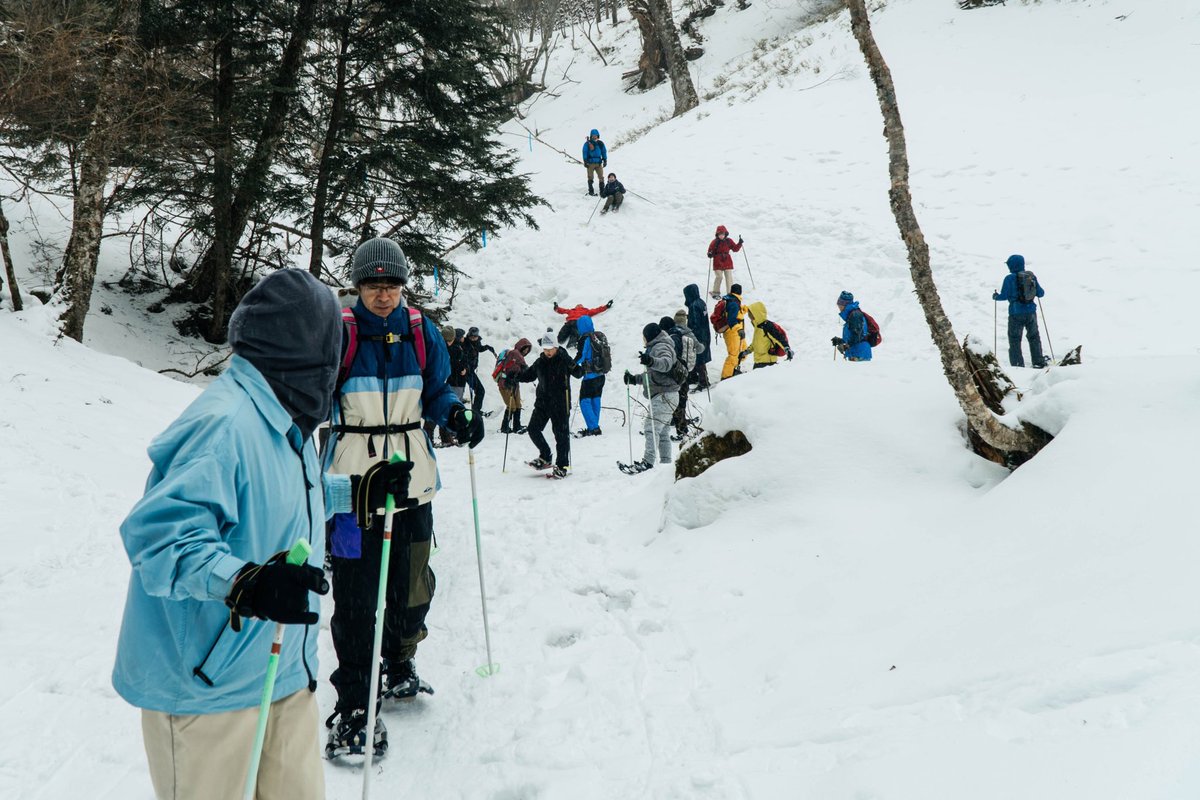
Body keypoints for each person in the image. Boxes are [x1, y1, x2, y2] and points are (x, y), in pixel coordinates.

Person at [112, 270, 348, 800]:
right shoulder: (225, 424)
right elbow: (159, 538)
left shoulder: (282, 419)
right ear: (308, 349)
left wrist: (353, 493)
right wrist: (244, 581)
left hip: (281, 670)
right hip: (208, 691)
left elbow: (274, 498)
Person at [323, 237, 484, 757]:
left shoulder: (421, 332)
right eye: (374, 284)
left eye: (391, 284)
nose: (384, 294)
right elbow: (317, 398)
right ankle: (353, 705)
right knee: (353, 598)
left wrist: (455, 412)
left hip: (414, 484)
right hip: (349, 492)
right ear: (358, 286)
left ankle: (398, 659)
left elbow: (437, 390)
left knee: (413, 587)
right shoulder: (340, 333)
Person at [511, 331, 581, 479]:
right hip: (543, 402)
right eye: (545, 349)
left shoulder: (564, 359)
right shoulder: (540, 362)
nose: (548, 352)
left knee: (561, 436)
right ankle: (545, 456)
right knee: (533, 429)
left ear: (556, 347)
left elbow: (579, 373)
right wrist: (515, 377)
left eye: (550, 349)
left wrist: (574, 364)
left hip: (560, 404)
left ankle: (562, 466)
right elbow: (529, 375)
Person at [620, 322, 681, 474]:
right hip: (668, 394)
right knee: (663, 431)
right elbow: (652, 376)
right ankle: (666, 464)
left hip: (664, 395)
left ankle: (648, 462)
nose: (643, 339)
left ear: (649, 336)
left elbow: (665, 364)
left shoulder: (661, 347)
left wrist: (651, 361)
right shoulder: (658, 346)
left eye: (644, 336)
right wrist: (634, 379)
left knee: (651, 428)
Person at [992, 253, 1047, 368]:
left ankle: (1017, 365)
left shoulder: (1009, 278)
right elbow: (1041, 293)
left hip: (1015, 313)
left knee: (1015, 339)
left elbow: (1004, 296)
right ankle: (1038, 362)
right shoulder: (1030, 276)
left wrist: (996, 296)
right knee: (1034, 337)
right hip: (1031, 312)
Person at [663, 312, 704, 438]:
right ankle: (678, 423)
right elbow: (700, 348)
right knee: (681, 399)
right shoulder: (685, 333)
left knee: (678, 401)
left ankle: (682, 431)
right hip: (685, 372)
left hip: (676, 375)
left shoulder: (672, 337)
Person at [423, 325, 459, 447]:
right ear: (451, 339)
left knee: (443, 410)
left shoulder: (436, 344)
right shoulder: (440, 348)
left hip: (437, 382)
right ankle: (428, 440)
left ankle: (444, 438)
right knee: (435, 412)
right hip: (436, 383)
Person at [574, 315, 606, 437]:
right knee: (595, 399)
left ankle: (593, 428)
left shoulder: (584, 339)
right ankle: (594, 426)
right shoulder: (598, 336)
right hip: (601, 375)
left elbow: (581, 356)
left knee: (584, 401)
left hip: (590, 376)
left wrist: (571, 365)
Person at [494, 338, 532, 434]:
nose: (526, 351)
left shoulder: (515, 355)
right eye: (525, 349)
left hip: (513, 383)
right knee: (512, 406)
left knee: (517, 405)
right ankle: (506, 427)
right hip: (505, 384)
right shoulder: (515, 354)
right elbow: (524, 368)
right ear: (520, 347)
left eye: (527, 350)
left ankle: (516, 426)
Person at [747, 301, 793, 369]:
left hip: (768, 364)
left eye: (750, 313)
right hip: (758, 362)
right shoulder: (757, 326)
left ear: (756, 313)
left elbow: (779, 338)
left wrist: (787, 349)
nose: (748, 315)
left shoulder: (768, 326)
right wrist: (748, 350)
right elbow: (756, 343)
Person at [683, 283, 712, 388]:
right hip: (705, 334)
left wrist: (690, 332)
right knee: (700, 357)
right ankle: (694, 376)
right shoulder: (701, 302)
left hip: (698, 336)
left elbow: (695, 323)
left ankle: (703, 381)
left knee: (699, 359)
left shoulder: (693, 306)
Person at [831, 291, 873, 362]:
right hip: (857, 352)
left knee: (859, 373)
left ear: (845, 304)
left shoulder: (855, 315)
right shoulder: (852, 315)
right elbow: (854, 335)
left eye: (840, 304)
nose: (838, 306)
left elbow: (857, 336)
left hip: (859, 353)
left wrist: (845, 346)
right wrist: (840, 341)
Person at [462, 326, 496, 413]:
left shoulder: (477, 342)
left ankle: (476, 411)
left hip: (471, 371)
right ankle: (475, 412)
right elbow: (463, 357)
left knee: (480, 391)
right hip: (466, 371)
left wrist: (487, 347)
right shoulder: (465, 344)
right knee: (480, 391)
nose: (473, 338)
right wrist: (467, 367)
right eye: (471, 336)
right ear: (468, 335)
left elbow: (479, 349)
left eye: (475, 336)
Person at [718, 283, 748, 380]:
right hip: (733, 332)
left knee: (743, 350)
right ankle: (726, 376)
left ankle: (733, 370)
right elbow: (731, 320)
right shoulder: (734, 303)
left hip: (735, 331)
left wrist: (744, 309)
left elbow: (734, 313)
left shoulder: (731, 299)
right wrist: (739, 329)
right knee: (733, 355)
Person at [706, 225, 744, 298]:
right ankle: (715, 292)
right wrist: (710, 254)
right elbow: (710, 251)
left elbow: (735, 249)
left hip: (727, 261)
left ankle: (730, 293)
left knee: (729, 277)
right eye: (720, 234)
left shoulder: (728, 241)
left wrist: (739, 243)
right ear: (717, 234)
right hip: (717, 262)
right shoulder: (714, 242)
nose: (721, 236)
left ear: (725, 233)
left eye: (723, 234)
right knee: (719, 277)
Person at [582, 128, 607, 196]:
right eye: (593, 135)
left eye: (596, 135)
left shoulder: (600, 143)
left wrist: (605, 160)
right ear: (591, 136)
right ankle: (591, 191)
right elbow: (585, 152)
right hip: (590, 163)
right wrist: (585, 161)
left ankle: (602, 191)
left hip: (599, 163)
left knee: (601, 177)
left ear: (598, 135)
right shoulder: (587, 144)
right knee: (590, 177)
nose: (594, 136)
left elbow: (604, 151)